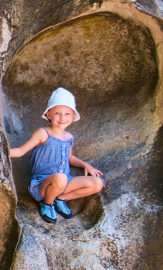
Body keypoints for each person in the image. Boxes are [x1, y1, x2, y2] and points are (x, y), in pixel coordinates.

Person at [7, 88, 104, 224]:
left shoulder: (69, 137)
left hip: (64, 181)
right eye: (57, 113)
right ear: (49, 114)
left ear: (72, 117)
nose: (62, 118)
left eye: (67, 114)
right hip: (43, 185)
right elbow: (21, 151)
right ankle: (47, 204)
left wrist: (86, 166)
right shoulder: (43, 133)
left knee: (97, 183)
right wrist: (3, 151)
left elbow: (70, 158)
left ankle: (61, 198)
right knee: (60, 178)